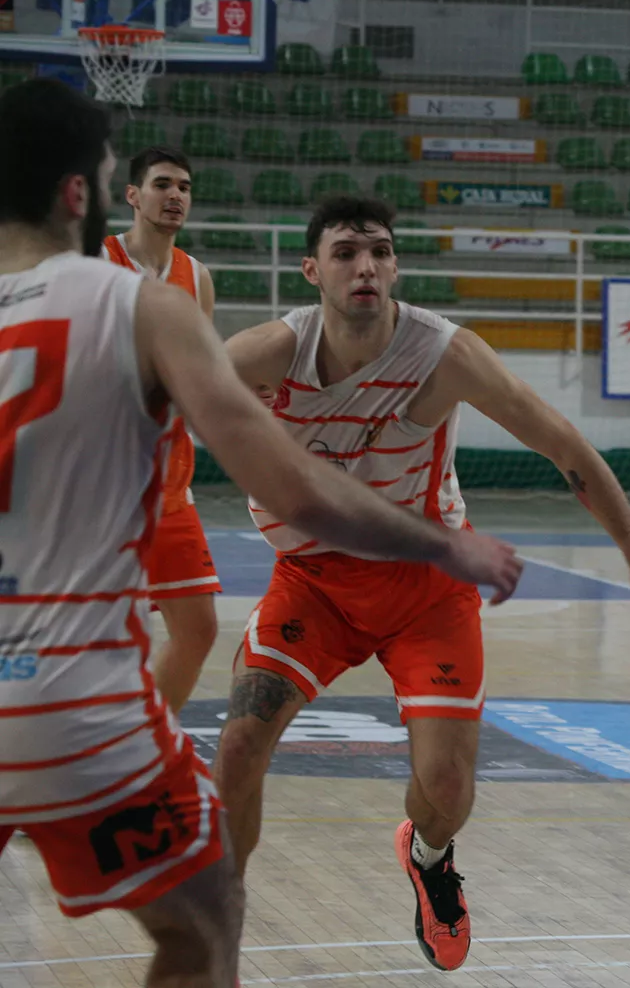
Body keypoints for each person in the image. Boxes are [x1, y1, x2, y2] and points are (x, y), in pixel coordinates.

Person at [0, 79, 524, 988]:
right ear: (83, 195)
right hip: (71, 695)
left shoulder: (421, 344)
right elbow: (289, 482)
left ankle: (431, 858)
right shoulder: (142, 303)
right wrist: (444, 543)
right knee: (206, 924)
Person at [216, 193, 630, 973]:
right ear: (312, 270)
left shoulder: (443, 353)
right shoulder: (269, 353)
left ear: (396, 265)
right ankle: (219, 928)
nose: (365, 265)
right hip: (314, 581)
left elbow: (563, 442)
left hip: (428, 584)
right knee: (239, 747)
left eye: (378, 250)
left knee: (447, 786)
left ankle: (430, 854)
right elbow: (154, 400)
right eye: (345, 252)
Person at [103, 145, 221, 713]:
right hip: (98, 490)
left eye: (185, 186)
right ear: (132, 195)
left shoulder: (196, 277)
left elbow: (203, 373)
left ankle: (146, 739)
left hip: (170, 488)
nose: (175, 195)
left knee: (197, 630)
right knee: (91, 642)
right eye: (162, 184)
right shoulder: (94, 265)